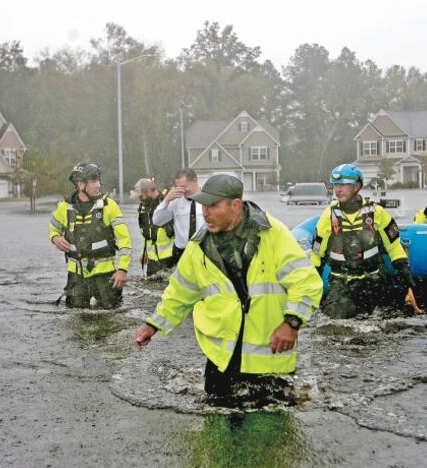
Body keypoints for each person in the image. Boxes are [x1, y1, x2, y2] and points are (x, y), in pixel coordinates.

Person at [134, 174, 323, 404]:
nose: (205, 213)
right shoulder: (199, 245)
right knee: (215, 429)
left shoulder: (273, 234)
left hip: (269, 359)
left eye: (213, 206)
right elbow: (179, 293)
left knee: (271, 433)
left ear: (235, 205)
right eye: (203, 206)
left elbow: (305, 281)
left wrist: (292, 322)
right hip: (221, 359)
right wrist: (153, 324)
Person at [311, 163, 415, 318]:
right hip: (340, 284)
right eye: (335, 185)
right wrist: (312, 280)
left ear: (357, 186)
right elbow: (316, 254)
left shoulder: (376, 213)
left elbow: (393, 246)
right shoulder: (328, 216)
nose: (338, 190)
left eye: (344, 185)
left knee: (382, 322)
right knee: (335, 326)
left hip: (373, 281)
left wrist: (404, 270)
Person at [48, 162, 132, 309]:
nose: (98, 184)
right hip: (76, 276)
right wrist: (55, 238)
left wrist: (123, 270)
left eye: (99, 180)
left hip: (106, 276)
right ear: (80, 185)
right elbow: (53, 227)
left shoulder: (109, 206)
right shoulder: (65, 208)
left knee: (111, 318)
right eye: (93, 181)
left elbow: (125, 240)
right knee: (76, 317)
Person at [151, 167, 204, 267]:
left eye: (184, 186)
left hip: (203, 251)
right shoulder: (175, 200)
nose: (181, 190)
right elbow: (157, 221)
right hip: (181, 252)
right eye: (178, 187)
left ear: (195, 180)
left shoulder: (207, 200)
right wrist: (166, 200)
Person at [135, 178, 175, 276]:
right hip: (152, 262)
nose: (140, 198)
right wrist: (144, 252)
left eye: (141, 195)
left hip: (171, 259)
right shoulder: (144, 207)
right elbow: (147, 232)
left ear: (147, 191)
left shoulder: (167, 203)